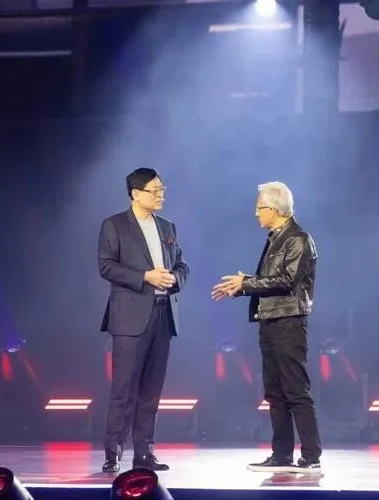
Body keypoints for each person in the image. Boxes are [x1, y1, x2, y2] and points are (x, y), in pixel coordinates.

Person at [211, 181, 321, 473]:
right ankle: (281, 454)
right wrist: (242, 284)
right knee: (274, 391)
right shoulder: (276, 238)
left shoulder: (298, 239)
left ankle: (311, 456)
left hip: (289, 321)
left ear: (274, 209)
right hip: (269, 320)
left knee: (295, 390)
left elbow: (287, 280)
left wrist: (246, 284)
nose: (256, 213)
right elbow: (271, 280)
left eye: (260, 207)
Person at [98, 167, 189, 473]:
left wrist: (174, 279)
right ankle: (113, 452)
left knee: (151, 390)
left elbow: (182, 265)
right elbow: (106, 266)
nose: (161, 195)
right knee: (123, 389)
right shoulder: (114, 225)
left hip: (163, 314)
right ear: (136, 194)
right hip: (130, 317)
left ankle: (144, 454)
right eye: (155, 190)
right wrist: (146, 276)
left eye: (162, 189)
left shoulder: (167, 226)